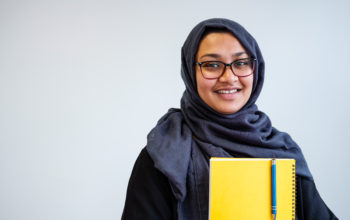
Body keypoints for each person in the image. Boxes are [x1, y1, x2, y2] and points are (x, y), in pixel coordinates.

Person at [121, 18, 338, 220]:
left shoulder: (281, 149)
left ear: (256, 69)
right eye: (212, 65)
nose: (229, 77)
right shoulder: (164, 154)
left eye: (241, 63)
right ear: (190, 71)